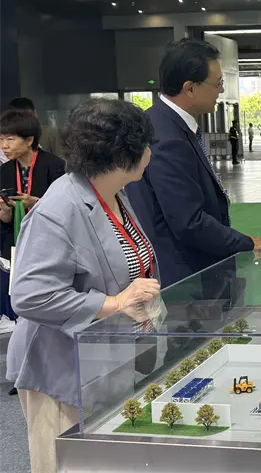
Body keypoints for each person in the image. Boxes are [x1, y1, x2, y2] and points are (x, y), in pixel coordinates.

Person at [6, 98, 162, 473]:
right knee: (67, 464)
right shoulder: (59, 208)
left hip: (105, 361)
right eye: (145, 145)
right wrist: (114, 303)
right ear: (121, 155)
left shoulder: (112, 192)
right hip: (60, 371)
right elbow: (29, 295)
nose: (150, 153)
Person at [127, 39, 261, 287]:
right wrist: (246, 243)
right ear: (190, 88)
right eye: (218, 83)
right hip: (184, 278)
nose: (221, 91)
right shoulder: (166, 137)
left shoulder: (169, 124)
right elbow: (188, 222)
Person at [0, 109, 66, 332]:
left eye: (10, 139)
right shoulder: (4, 171)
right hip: (17, 241)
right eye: (1, 139)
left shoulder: (55, 166)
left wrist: (35, 202)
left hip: (50, 241)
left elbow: (67, 207)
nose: (4, 146)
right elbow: (5, 221)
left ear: (29, 140)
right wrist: (5, 211)